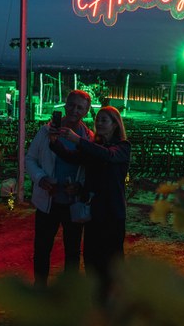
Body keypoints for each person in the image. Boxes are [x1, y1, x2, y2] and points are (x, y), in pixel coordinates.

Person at [50, 106, 131, 301]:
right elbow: (72, 157)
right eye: (98, 120)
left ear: (115, 124)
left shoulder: (122, 146)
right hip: (93, 212)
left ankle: (113, 302)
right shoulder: (95, 147)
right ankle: (96, 302)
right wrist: (54, 142)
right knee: (92, 259)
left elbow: (108, 156)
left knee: (110, 262)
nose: (99, 123)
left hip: (112, 213)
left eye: (105, 120)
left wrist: (78, 140)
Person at [25, 90, 93, 288]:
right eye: (71, 105)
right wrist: (41, 178)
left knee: (72, 251)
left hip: (73, 204)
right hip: (49, 200)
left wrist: (79, 186)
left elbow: (90, 170)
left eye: (80, 107)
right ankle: (40, 290)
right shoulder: (46, 132)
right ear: (65, 105)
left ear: (87, 111)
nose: (74, 110)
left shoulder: (88, 138)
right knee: (42, 248)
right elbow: (30, 158)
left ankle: (68, 293)